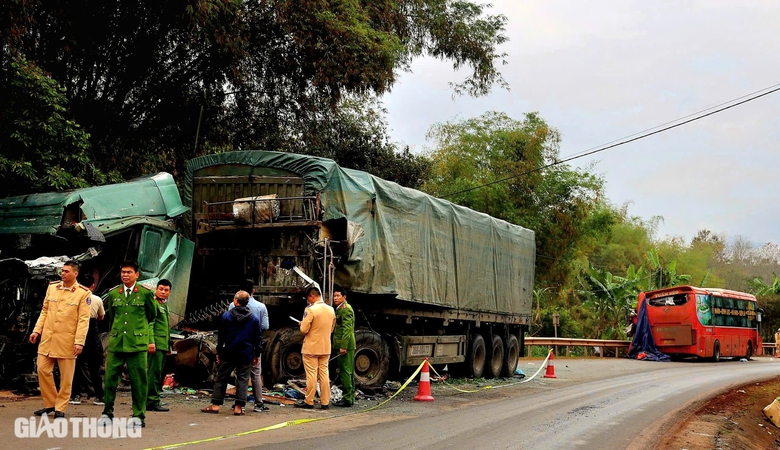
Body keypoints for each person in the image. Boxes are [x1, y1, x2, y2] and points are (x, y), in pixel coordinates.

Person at [29, 260, 92, 419]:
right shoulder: (52, 288)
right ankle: (50, 403)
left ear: (75, 273)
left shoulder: (83, 293)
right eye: (62, 271)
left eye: (66, 271)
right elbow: (44, 311)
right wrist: (37, 330)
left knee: (66, 378)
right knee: (42, 369)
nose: (62, 273)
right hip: (48, 339)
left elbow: (83, 320)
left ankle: (60, 407)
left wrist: (79, 341)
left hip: (67, 341)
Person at [101, 261, 157, 428]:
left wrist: (147, 339)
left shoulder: (146, 294)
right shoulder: (114, 294)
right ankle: (107, 413)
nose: (125, 275)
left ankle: (138, 416)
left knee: (138, 382)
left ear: (137, 275)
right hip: (117, 343)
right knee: (110, 380)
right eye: (123, 272)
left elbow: (151, 315)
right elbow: (113, 315)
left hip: (137, 344)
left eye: (129, 272)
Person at [201, 291, 262, 415]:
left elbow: (221, 337)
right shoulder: (254, 319)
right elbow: (258, 338)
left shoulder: (226, 316)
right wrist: (257, 354)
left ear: (235, 301)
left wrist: (219, 351)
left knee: (221, 377)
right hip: (246, 353)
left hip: (229, 352)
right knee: (243, 379)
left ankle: (216, 404)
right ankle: (239, 407)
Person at [228, 279, 270, 412]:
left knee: (239, 374)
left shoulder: (231, 306)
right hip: (252, 345)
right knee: (256, 374)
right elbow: (265, 326)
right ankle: (258, 403)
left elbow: (228, 324)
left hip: (235, 344)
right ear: (253, 291)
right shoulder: (260, 306)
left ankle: (239, 403)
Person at [295, 287, 336, 410]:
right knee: (324, 374)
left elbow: (304, 329)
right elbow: (332, 328)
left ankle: (309, 400)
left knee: (312, 375)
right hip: (325, 346)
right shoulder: (331, 310)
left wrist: (302, 323)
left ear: (312, 296)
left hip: (311, 347)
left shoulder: (310, 310)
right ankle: (325, 402)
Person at [70, 271, 106, 406]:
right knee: (95, 367)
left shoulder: (72, 297)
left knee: (75, 366)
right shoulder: (97, 299)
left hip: (75, 331)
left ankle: (76, 395)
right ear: (92, 285)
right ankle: (99, 396)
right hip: (92, 332)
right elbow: (101, 317)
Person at [147, 279, 172, 412]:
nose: (163, 292)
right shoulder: (154, 304)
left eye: (166, 290)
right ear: (156, 289)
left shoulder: (164, 305)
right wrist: (151, 342)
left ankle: (153, 399)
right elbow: (150, 324)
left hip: (162, 345)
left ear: (170, 292)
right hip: (155, 344)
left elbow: (165, 328)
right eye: (160, 289)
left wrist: (168, 346)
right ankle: (151, 401)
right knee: (154, 374)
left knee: (158, 374)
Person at [331, 285, 356, 407]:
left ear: (344, 297)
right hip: (343, 345)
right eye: (334, 296)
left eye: (338, 296)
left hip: (345, 346)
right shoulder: (340, 308)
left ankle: (347, 398)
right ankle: (350, 397)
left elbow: (347, 329)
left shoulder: (345, 309)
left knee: (345, 372)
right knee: (347, 371)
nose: (335, 298)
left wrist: (343, 346)